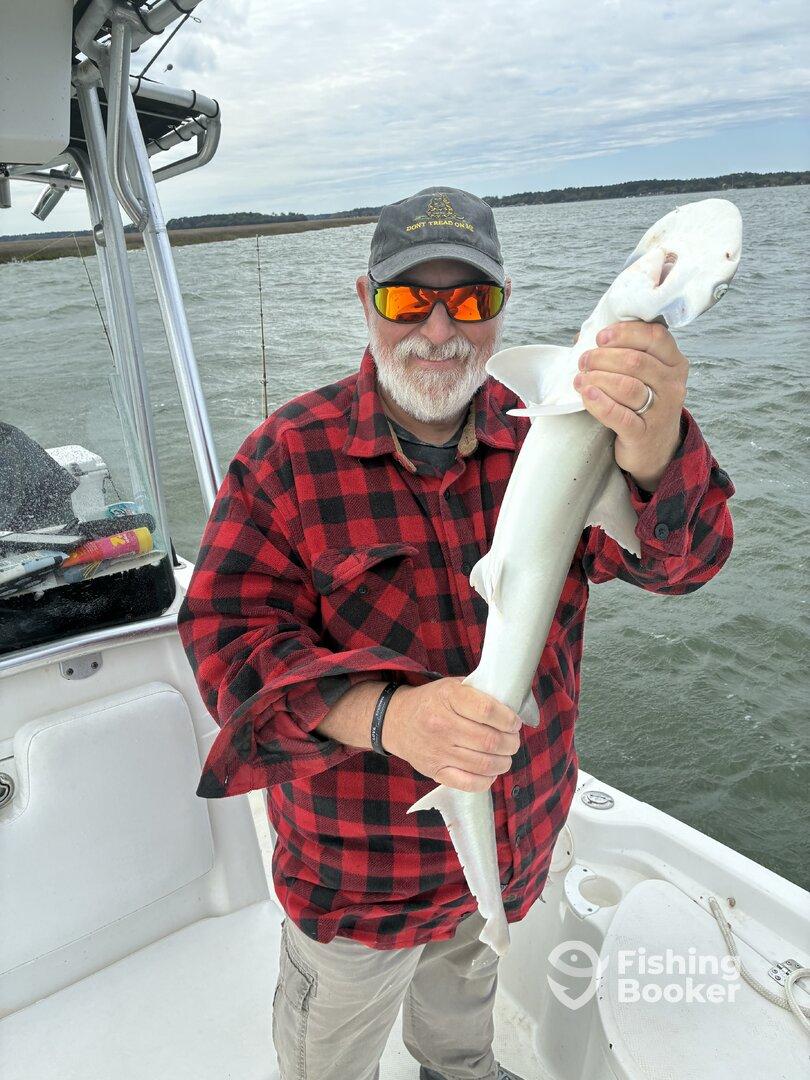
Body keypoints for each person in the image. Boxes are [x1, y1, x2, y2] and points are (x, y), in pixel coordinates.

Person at [177, 186, 735, 1080]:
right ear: (365, 302)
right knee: (329, 1060)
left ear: (503, 307)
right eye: (409, 300)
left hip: (512, 852)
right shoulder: (285, 457)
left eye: (470, 301)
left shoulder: (547, 435)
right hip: (360, 885)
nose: (440, 330)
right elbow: (225, 645)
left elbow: (685, 565)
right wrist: (387, 718)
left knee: (459, 1041)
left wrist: (658, 446)